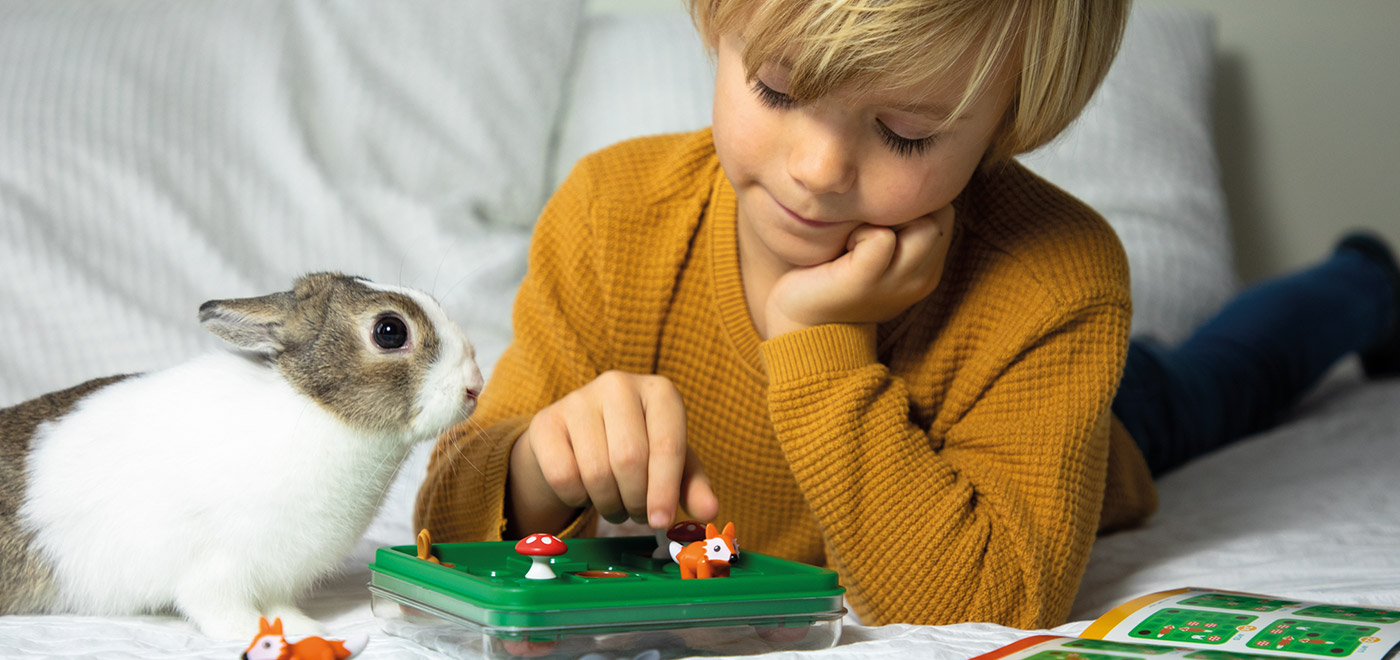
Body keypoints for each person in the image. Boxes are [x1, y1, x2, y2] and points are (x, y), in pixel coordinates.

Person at [414, 0, 1400, 629]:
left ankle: (1360, 282)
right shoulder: (608, 219)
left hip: (1077, 438)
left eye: (902, 133)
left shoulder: (1054, 280)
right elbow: (447, 525)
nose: (817, 169)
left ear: (1004, 126)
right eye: (775, 88)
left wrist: (818, 343)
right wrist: (535, 468)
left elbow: (976, 609)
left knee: (1216, 379)